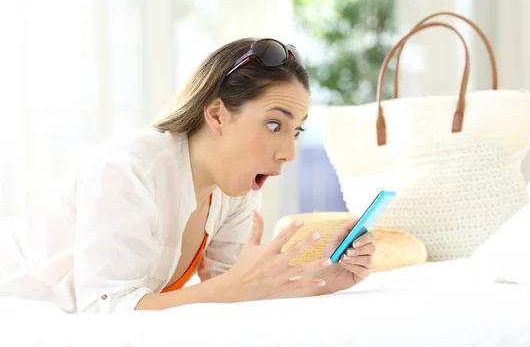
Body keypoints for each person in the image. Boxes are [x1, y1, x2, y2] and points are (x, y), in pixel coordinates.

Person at [0, 38, 376, 313]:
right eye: (274, 124)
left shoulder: (236, 190)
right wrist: (234, 287)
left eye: (297, 131)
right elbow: (105, 313)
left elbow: (239, 290)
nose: (289, 153)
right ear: (216, 115)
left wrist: (326, 278)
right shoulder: (127, 171)